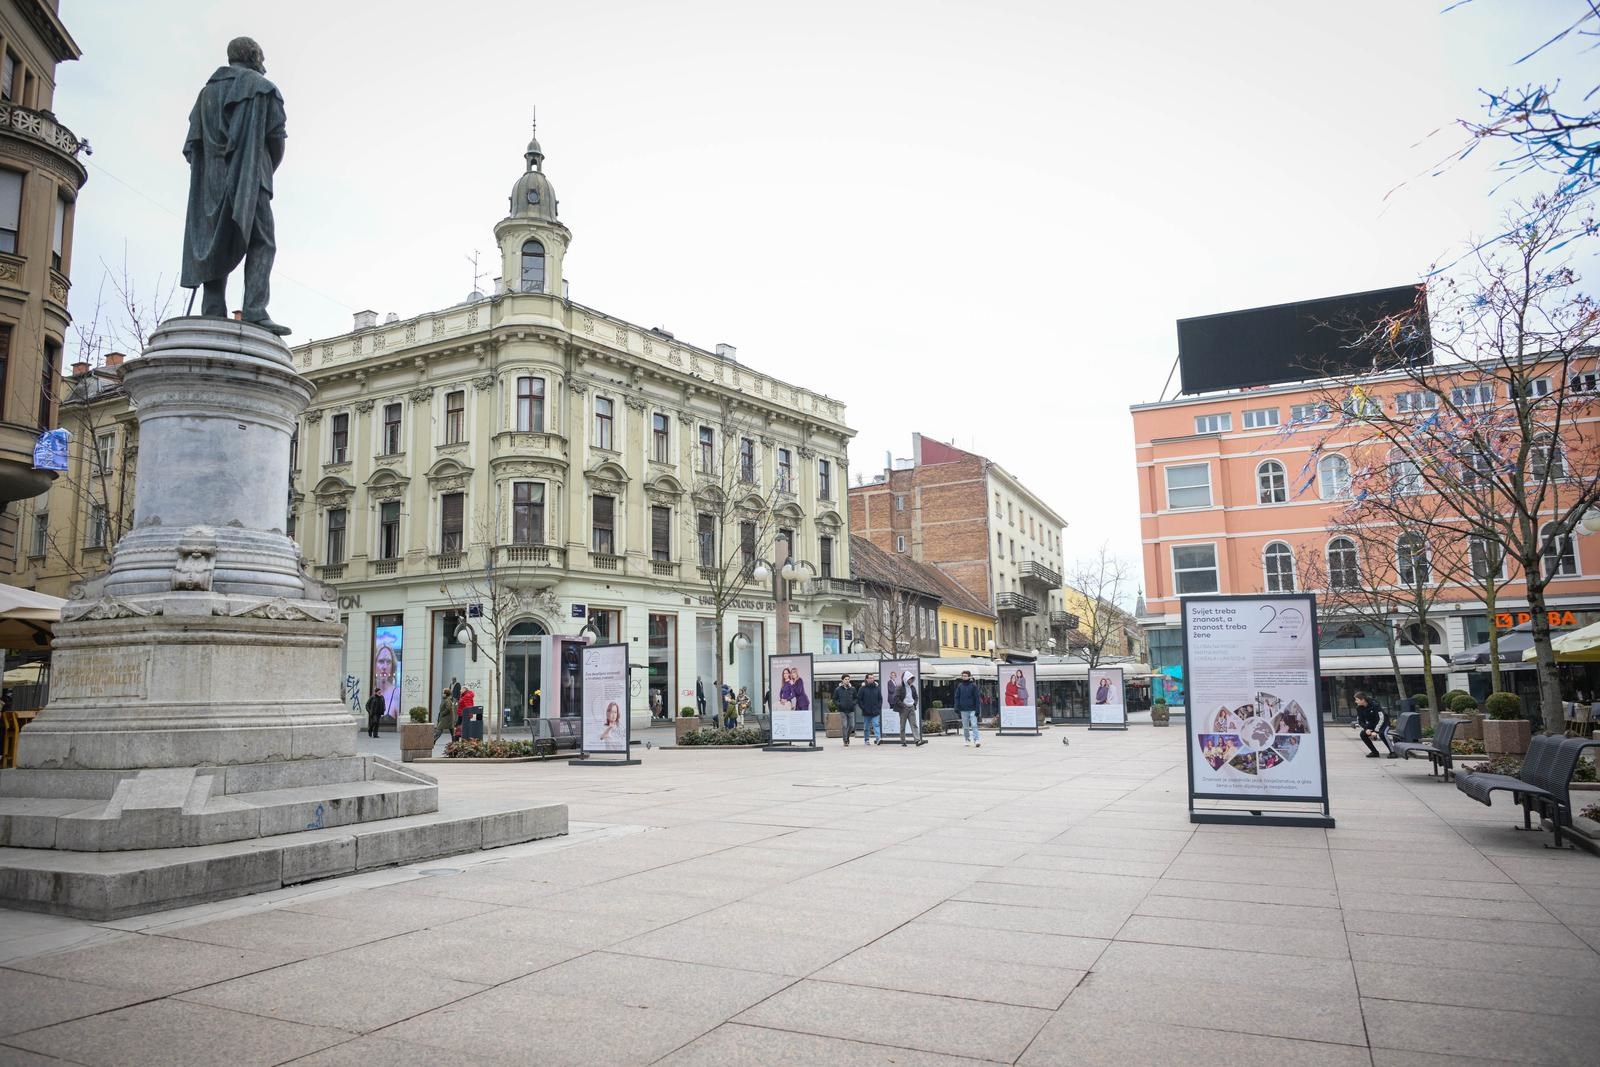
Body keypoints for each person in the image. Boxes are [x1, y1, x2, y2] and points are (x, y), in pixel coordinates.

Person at [182, 38, 291, 335]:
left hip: (210, 180)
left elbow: (193, 146)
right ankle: (255, 310)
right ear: (254, 55)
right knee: (261, 241)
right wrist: (263, 167)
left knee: (212, 241)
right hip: (252, 175)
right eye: (262, 57)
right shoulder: (264, 88)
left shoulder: (206, 94)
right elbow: (276, 139)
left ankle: (212, 309)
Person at [1354, 691, 1395, 758]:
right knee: (1363, 734)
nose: (1355, 701)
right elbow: (1360, 721)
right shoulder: (1359, 708)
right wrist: (1366, 729)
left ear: (1363, 700)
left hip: (1384, 722)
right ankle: (1374, 752)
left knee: (1382, 734)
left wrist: (1375, 731)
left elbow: (1381, 718)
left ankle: (1392, 752)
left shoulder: (1375, 704)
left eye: (1357, 700)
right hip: (1372, 723)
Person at [953, 669, 981, 747]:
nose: (964, 677)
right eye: (963, 676)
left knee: (974, 725)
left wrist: (977, 709)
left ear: (969, 676)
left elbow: (977, 698)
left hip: (973, 709)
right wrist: (956, 707)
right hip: (963, 709)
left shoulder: (973, 686)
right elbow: (957, 697)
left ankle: (976, 740)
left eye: (965, 676)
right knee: (965, 727)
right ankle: (967, 739)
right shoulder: (960, 686)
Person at [833, 674, 858, 746]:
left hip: (851, 710)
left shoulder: (853, 689)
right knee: (844, 725)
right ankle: (845, 740)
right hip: (842, 710)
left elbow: (856, 698)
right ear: (842, 680)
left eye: (848, 679)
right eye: (846, 679)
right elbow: (834, 699)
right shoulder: (838, 689)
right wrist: (839, 704)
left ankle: (847, 737)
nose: (847, 680)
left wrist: (853, 703)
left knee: (852, 726)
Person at [858, 672, 883, 745]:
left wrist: (878, 707)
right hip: (866, 712)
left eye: (873, 678)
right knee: (866, 727)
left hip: (875, 711)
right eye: (870, 678)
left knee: (876, 725)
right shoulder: (862, 688)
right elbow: (859, 700)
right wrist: (863, 708)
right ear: (866, 679)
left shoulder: (877, 688)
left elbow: (880, 699)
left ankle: (878, 739)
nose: (872, 679)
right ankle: (866, 740)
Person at [897, 672, 918, 744]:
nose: (911, 680)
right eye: (910, 679)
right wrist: (903, 705)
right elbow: (896, 698)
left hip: (911, 707)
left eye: (912, 679)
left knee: (914, 724)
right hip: (903, 708)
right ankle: (903, 741)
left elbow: (916, 697)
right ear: (906, 678)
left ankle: (917, 740)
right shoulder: (900, 687)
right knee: (902, 725)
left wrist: (914, 704)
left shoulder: (912, 687)